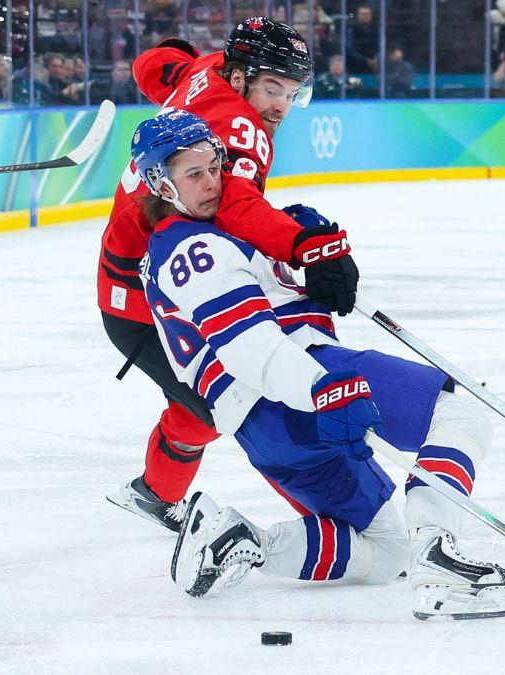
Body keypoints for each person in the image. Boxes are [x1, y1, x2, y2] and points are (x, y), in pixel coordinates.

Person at [131, 109, 505, 619]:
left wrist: (300, 255)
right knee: (461, 413)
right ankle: (440, 555)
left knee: (386, 550)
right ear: (161, 184)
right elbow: (251, 348)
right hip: (298, 382)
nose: (212, 182)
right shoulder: (192, 248)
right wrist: (324, 389)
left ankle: (243, 540)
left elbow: (272, 293)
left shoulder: (205, 237)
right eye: (193, 174)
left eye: (214, 166)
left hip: (265, 430)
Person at [99, 18, 359, 532]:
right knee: (241, 403)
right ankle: (338, 516)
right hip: (148, 298)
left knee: (209, 405)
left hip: (167, 274)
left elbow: (154, 67)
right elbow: (236, 205)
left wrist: (171, 51)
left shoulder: (206, 68)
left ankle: (153, 492)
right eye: (272, 89)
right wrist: (311, 248)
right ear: (240, 79)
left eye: (292, 93)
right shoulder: (240, 129)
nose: (281, 106)